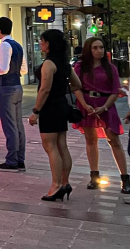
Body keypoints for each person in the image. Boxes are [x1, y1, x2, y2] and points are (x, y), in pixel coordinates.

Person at [27, 29, 83, 201]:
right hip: (61, 105)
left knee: (50, 147)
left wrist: (35, 111)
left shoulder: (49, 64)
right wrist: (61, 92)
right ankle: (64, 183)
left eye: (42, 40)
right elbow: (77, 84)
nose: (40, 43)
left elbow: (44, 89)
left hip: (50, 108)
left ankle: (56, 185)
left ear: (48, 43)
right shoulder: (64, 63)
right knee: (61, 145)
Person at [73, 38, 129, 192]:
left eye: (101, 47)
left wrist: (104, 107)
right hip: (87, 103)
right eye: (95, 48)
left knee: (114, 139)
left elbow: (115, 91)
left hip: (106, 104)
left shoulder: (110, 68)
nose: (99, 51)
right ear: (88, 50)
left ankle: (125, 178)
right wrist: (85, 105)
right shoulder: (80, 67)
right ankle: (94, 176)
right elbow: (76, 87)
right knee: (90, 140)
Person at [0, 17, 29, 172]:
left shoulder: (4, 45)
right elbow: (24, 70)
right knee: (18, 125)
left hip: (6, 87)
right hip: (17, 86)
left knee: (9, 125)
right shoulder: (17, 45)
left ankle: (11, 160)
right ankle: (20, 159)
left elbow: (3, 69)